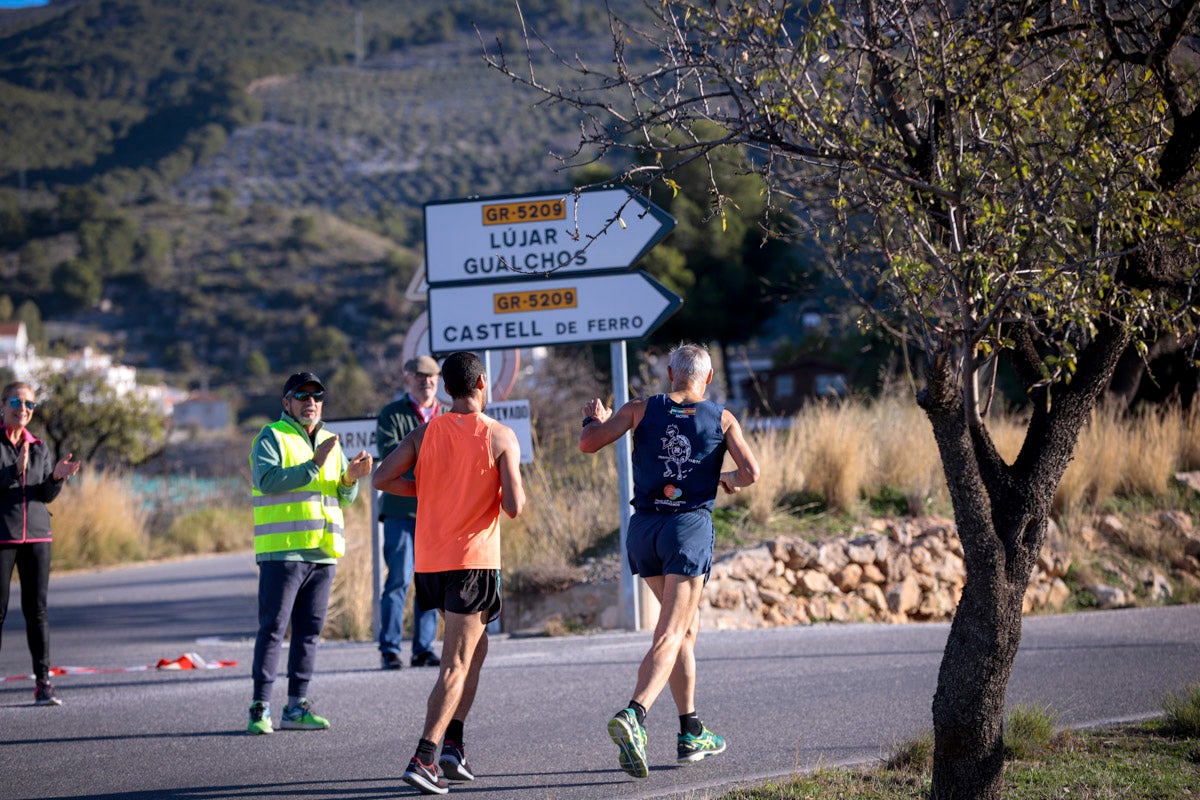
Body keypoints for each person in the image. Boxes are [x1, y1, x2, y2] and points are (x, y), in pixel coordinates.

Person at [579, 343, 760, 778]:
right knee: (672, 632)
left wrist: (594, 420)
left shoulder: (640, 408)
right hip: (686, 530)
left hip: (644, 531)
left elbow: (589, 443)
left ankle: (690, 731)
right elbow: (752, 473)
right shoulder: (722, 418)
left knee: (685, 630)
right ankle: (635, 714)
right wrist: (727, 480)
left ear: (669, 372)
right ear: (709, 377)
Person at [373, 351, 525, 796]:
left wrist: (425, 488)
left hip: (431, 564)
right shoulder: (499, 435)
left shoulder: (424, 433)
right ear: (481, 383)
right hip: (471, 563)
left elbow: (382, 478)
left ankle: (454, 745)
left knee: (477, 648)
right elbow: (514, 506)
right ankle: (425, 756)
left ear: (446, 388)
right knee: (456, 663)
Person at [247, 371, 373, 735]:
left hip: (322, 553)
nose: (311, 402)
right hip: (283, 553)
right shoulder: (272, 436)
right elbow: (266, 481)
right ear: (286, 402)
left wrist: (351, 477)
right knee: (273, 629)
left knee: (309, 633)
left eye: (317, 396)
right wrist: (313, 464)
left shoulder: (331, 441)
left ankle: (296, 707)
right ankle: (260, 707)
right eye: (302, 396)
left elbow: (342, 496)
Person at [0, 381, 81, 707]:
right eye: (16, 402)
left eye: (29, 404)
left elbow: (44, 495)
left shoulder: (40, 447)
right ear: (2, 406)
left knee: (37, 611)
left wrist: (56, 478)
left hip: (37, 536)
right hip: (3, 536)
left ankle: (44, 683)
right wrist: (12, 472)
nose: (23, 409)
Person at [375, 355, 446, 670]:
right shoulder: (391, 414)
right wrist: (434, 459)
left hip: (437, 515)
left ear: (438, 379)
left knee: (429, 583)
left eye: (431, 376)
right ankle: (390, 649)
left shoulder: (449, 415)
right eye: (419, 376)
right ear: (407, 378)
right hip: (400, 512)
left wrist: (416, 456)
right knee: (398, 581)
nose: (426, 381)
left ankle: (423, 649)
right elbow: (391, 456)